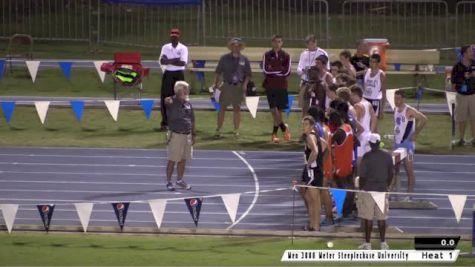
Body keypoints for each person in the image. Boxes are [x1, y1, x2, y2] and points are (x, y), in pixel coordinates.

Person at [357, 133, 394, 250]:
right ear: (378, 143)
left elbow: (362, 176)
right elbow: (391, 174)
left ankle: (368, 244)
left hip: (368, 190)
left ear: (371, 144)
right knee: (382, 219)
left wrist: (361, 188)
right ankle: (383, 243)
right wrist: (386, 185)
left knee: (368, 218)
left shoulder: (366, 156)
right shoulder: (387, 156)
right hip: (382, 190)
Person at [212, 37, 252, 138]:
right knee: (222, 108)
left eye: (238, 45)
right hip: (226, 85)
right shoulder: (224, 58)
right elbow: (218, 72)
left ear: (240, 47)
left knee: (237, 108)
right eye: (234, 45)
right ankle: (219, 129)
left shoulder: (244, 59)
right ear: (231, 47)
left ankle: (236, 129)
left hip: (238, 86)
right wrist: (215, 85)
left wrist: (245, 85)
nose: (236, 47)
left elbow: (248, 74)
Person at [393, 90, 427, 197]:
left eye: (398, 99)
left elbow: (424, 119)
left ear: (403, 99)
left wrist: (415, 133)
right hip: (397, 145)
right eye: (395, 98)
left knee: (409, 170)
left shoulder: (409, 110)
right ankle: (390, 192)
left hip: (408, 146)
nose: (396, 101)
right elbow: (398, 126)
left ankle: (410, 194)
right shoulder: (395, 109)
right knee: (394, 170)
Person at [164, 81, 196, 191]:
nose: (188, 91)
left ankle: (180, 180)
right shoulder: (172, 101)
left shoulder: (188, 103)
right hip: (176, 135)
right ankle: (169, 182)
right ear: (180, 90)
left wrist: (194, 134)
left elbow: (192, 119)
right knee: (172, 159)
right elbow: (167, 101)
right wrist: (168, 99)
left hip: (187, 135)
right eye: (186, 89)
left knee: (183, 159)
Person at [296, 116, 327, 231]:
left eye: (306, 124)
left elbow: (315, 150)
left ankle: (315, 226)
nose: (304, 126)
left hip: (312, 170)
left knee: (314, 199)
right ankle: (313, 224)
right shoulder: (316, 136)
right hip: (315, 170)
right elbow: (324, 145)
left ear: (312, 126)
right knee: (310, 198)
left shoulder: (310, 137)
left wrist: (309, 164)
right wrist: (320, 161)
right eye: (303, 124)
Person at [262, 34, 292, 143]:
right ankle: (284, 129)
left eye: (279, 42)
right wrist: (279, 70)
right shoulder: (267, 55)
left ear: (282, 43)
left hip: (282, 86)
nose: (277, 44)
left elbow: (287, 72)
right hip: (270, 86)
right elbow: (266, 70)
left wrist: (274, 70)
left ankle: (274, 134)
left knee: (279, 111)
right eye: (275, 41)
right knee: (273, 110)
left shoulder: (286, 56)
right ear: (272, 43)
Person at [308, 106, 334, 225]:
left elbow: (323, 147)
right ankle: (325, 217)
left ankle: (326, 218)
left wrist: (319, 161)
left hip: (323, 163)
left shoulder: (318, 129)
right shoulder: (325, 127)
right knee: (322, 191)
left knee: (322, 192)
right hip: (327, 161)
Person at [159, 28, 188, 131]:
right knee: (165, 98)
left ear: (179, 36)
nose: (174, 36)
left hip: (179, 74)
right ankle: (165, 122)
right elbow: (162, 61)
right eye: (172, 35)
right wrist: (175, 59)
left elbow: (182, 63)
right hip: (168, 74)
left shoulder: (183, 48)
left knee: (180, 98)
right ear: (170, 36)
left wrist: (169, 61)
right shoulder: (165, 47)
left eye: (176, 35)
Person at [328, 110, 355, 219]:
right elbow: (356, 142)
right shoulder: (348, 127)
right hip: (350, 162)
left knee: (338, 186)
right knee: (350, 186)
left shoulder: (338, 133)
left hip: (341, 164)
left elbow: (327, 144)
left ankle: (341, 210)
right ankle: (348, 209)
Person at [297, 34, 330, 117]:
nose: (309, 46)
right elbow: (299, 69)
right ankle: (305, 123)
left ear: (315, 43)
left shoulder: (322, 53)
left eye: (311, 44)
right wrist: (304, 71)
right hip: (306, 81)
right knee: (305, 106)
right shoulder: (304, 54)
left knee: (319, 104)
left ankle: (319, 121)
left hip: (318, 83)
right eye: (307, 44)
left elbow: (327, 68)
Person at [451, 45, 475, 146]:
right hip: (461, 95)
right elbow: (453, 82)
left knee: (474, 118)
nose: (472, 53)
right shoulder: (457, 67)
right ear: (464, 54)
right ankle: (461, 139)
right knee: (461, 118)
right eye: (470, 51)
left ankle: (474, 139)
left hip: (474, 95)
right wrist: (465, 77)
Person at [350, 85, 377, 161]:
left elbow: (356, 123)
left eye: (351, 96)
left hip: (360, 137)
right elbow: (374, 118)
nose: (350, 98)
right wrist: (371, 132)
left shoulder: (357, 106)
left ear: (355, 95)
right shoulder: (368, 103)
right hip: (368, 135)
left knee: (359, 161)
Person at [363, 54, 387, 119]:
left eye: (373, 62)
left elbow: (384, 93)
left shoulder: (381, 74)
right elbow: (364, 87)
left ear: (378, 63)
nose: (371, 63)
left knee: (373, 122)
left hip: (375, 100)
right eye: (370, 61)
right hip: (365, 99)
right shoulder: (366, 72)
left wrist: (382, 109)